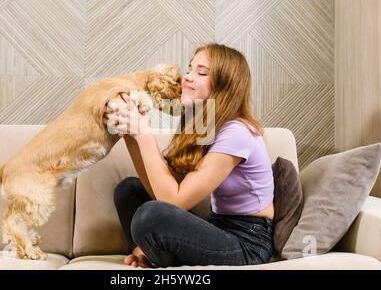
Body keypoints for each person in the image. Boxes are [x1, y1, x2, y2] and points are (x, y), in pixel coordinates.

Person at [105, 43, 274, 268]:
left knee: (151, 215)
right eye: (190, 69)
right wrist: (131, 135)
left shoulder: (237, 132)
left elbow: (173, 201)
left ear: (225, 85)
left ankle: (150, 251)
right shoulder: (205, 125)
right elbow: (160, 191)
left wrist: (144, 134)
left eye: (201, 72)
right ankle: (149, 252)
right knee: (130, 190)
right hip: (218, 227)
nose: (187, 77)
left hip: (248, 243)